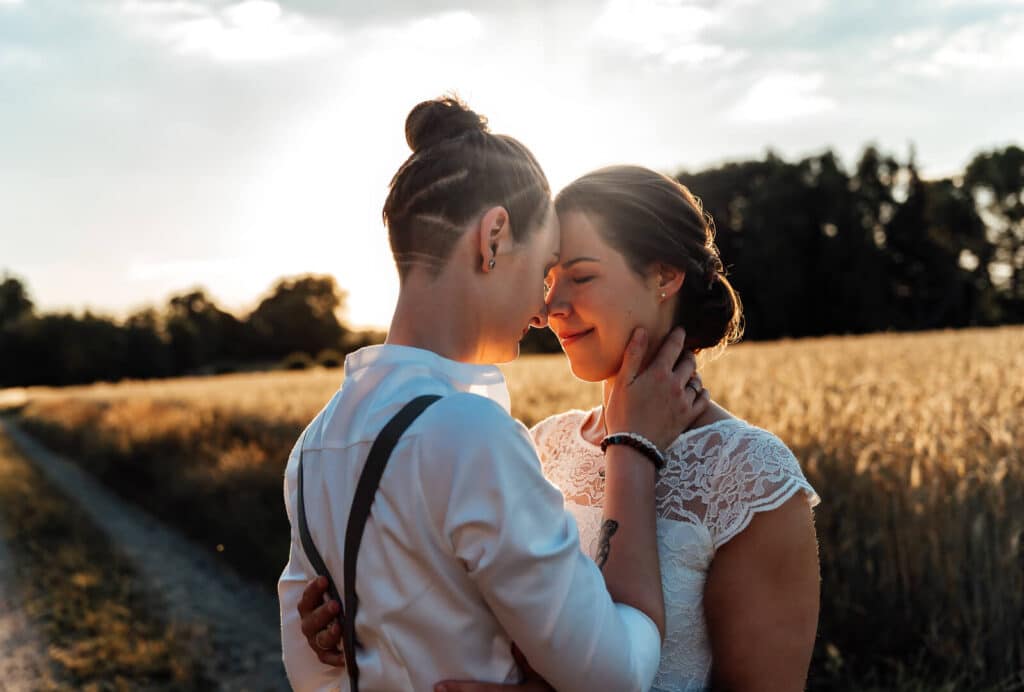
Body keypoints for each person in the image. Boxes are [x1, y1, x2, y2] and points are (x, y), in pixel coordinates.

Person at [301, 165, 822, 691]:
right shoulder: (543, 444)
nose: (551, 307)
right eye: (549, 278)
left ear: (664, 276)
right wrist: (359, 614)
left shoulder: (752, 477)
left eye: (582, 275)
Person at [278, 97, 711, 692]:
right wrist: (632, 447)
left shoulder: (313, 447)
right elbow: (617, 674)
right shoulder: (470, 435)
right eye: (546, 267)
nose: (543, 309)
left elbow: (313, 671)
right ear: (494, 238)